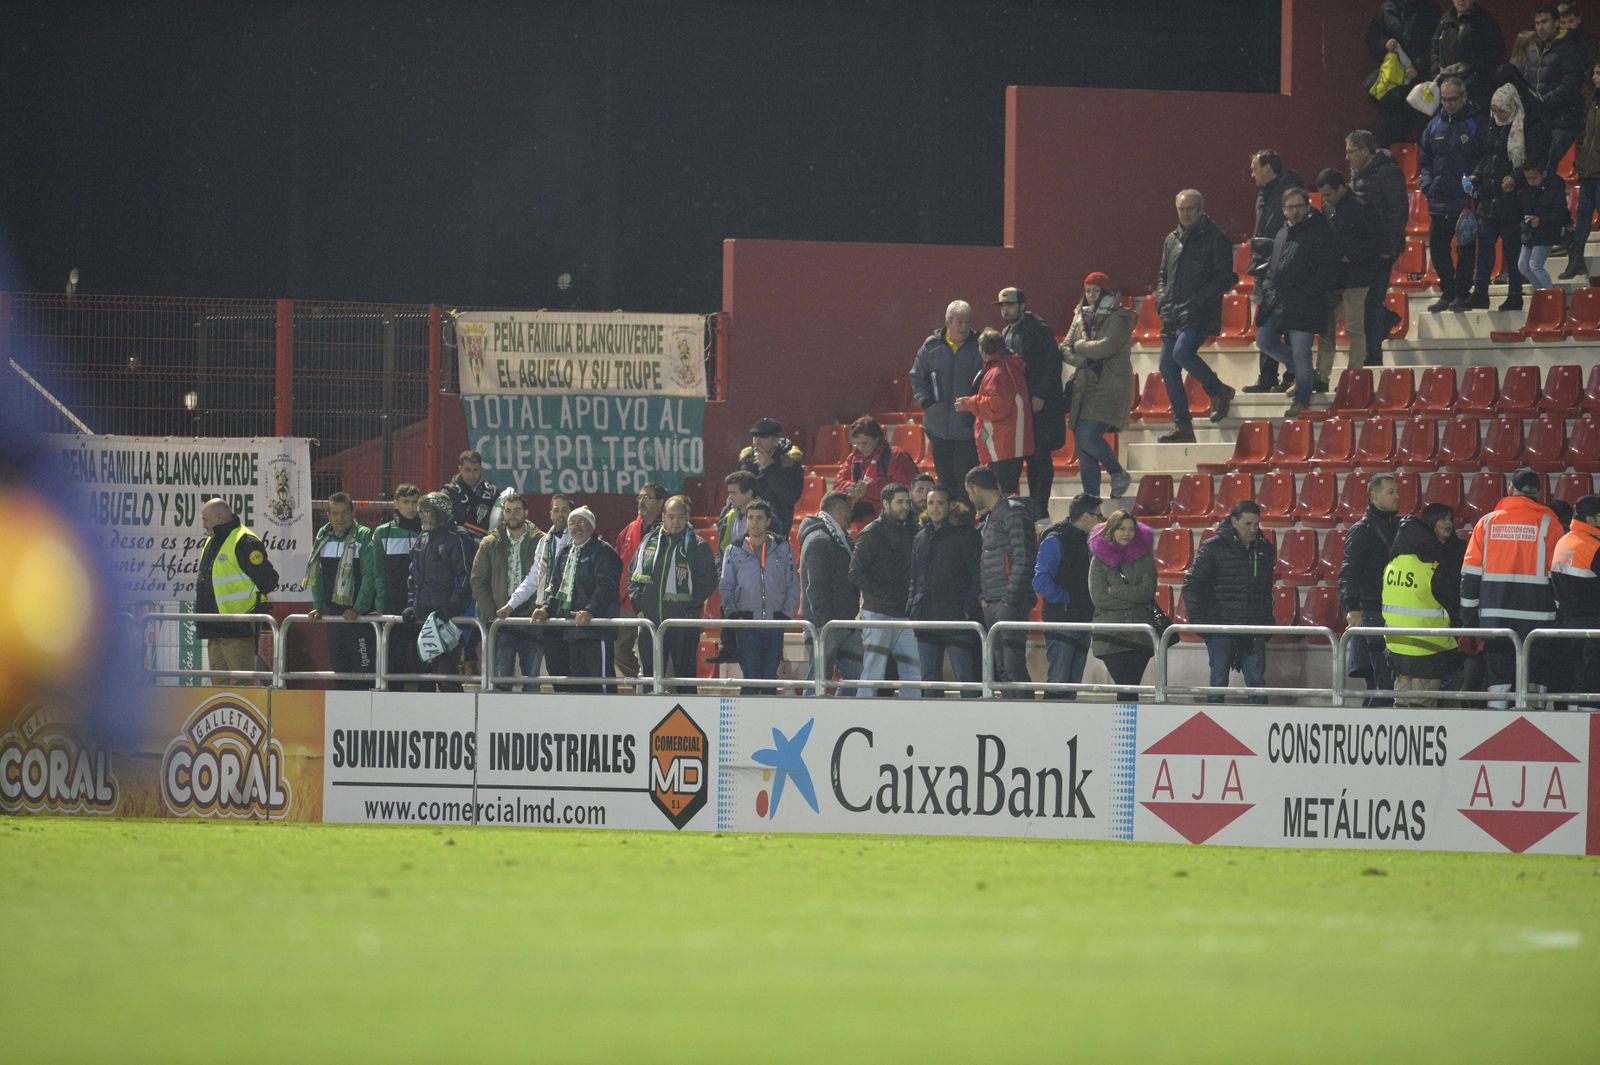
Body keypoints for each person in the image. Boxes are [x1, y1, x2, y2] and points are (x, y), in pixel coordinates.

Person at [1461, 468, 1564, 704]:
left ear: (1510, 489)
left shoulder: (1486, 523)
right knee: (1535, 684)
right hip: (1539, 621)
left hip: (1495, 621)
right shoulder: (1550, 524)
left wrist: (1469, 620)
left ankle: (1496, 731)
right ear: (1538, 493)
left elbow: (1470, 576)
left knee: (1498, 683)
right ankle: (1534, 734)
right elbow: (1558, 577)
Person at [1153, 189, 1237, 444]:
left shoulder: (1216, 237)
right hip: (1172, 312)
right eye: (1182, 209)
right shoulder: (1171, 239)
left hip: (1200, 312)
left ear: (1200, 210)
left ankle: (1217, 389)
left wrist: (1198, 299)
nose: (1186, 214)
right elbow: (1162, 275)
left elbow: (1225, 277)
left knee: (1181, 353)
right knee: (1167, 368)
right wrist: (1161, 299)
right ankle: (1183, 426)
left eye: (1190, 209)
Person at [1255, 186, 1340, 416]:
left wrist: (1309, 290)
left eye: (1299, 206)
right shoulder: (1282, 233)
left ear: (1308, 206)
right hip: (1280, 300)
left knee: (1302, 350)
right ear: (1283, 210)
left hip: (1306, 301)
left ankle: (1302, 398)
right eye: (1290, 207)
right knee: (1264, 339)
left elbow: (1328, 268)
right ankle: (1301, 374)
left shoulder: (1320, 231)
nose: (1295, 211)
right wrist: (1268, 291)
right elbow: (1274, 268)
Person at [1182, 500, 1276, 704]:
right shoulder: (1213, 547)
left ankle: (1259, 729)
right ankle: (1211, 733)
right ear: (1234, 521)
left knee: (1257, 682)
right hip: (1220, 626)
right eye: (1248, 524)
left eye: (1256, 524)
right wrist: (1202, 623)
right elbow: (1191, 584)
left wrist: (1266, 622)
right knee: (1218, 682)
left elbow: (1267, 589)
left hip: (1253, 627)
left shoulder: (1265, 549)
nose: (1253, 529)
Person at [526, 506, 622, 693]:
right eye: (572, 523)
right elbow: (554, 587)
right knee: (578, 690)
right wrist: (546, 608)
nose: (576, 527)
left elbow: (606, 587)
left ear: (592, 527)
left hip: (595, 632)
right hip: (571, 634)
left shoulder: (603, 552)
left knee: (600, 688)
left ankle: (609, 722)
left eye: (581, 522)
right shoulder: (565, 553)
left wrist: (590, 610)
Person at [628, 493, 716, 691]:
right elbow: (633, 574)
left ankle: (689, 717)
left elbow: (708, 581)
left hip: (682, 624)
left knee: (684, 677)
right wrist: (639, 606)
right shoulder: (649, 541)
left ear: (687, 518)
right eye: (671, 516)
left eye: (680, 517)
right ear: (663, 517)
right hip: (651, 623)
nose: (675, 522)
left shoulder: (697, 545)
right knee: (651, 677)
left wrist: (687, 606)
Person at [1468, 83, 1545, 310]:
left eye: (1501, 109)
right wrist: (1475, 175)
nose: (1497, 114)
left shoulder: (1525, 128)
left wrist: (1516, 178)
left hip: (1513, 201)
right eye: (1494, 109)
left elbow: (1531, 162)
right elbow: (1487, 157)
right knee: (1485, 249)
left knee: (1512, 250)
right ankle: (1480, 292)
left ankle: (1515, 295)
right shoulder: (1491, 127)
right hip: (1489, 198)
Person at [1060, 272, 1134, 499]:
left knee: (1088, 436)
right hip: (1085, 386)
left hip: (1110, 386)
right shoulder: (1079, 316)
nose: (1091, 295)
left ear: (1106, 292)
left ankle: (1117, 472)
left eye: (1096, 290)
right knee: (1083, 449)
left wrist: (1080, 346)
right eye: (1088, 290)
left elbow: (1106, 347)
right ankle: (1091, 501)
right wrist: (1082, 361)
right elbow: (1064, 347)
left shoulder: (1119, 317)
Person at [1417, 75, 1486, 311]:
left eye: (1453, 99)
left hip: (1465, 199)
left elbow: (1486, 156)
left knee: (1466, 248)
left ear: (1464, 97)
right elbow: (1425, 162)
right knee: (1437, 248)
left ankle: (1462, 293)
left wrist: (1476, 179)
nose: (1448, 104)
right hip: (1439, 198)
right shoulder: (1433, 126)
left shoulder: (1476, 123)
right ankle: (1447, 291)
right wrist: (1427, 185)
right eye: (1444, 100)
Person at [966, 465, 1037, 691]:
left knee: (1013, 667)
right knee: (1003, 670)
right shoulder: (993, 515)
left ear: (974, 489)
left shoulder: (1013, 512)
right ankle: (1010, 720)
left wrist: (1008, 598)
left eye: (968, 492)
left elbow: (1024, 558)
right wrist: (984, 596)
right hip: (994, 601)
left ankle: (1025, 720)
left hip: (1009, 602)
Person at [194, 497, 279, 684]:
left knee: (242, 685)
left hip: (238, 626)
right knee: (219, 685)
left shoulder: (245, 541)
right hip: (215, 625)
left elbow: (268, 580)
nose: (203, 524)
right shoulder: (212, 541)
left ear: (219, 518)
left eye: (205, 519)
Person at [908, 485, 983, 697]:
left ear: (950, 506)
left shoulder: (966, 535)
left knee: (966, 677)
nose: (934, 507)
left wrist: (967, 609)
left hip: (956, 618)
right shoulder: (920, 537)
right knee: (929, 680)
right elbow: (915, 577)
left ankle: (974, 724)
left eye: (940, 503)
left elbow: (977, 576)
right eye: (931, 502)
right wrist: (913, 606)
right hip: (926, 618)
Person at [1313, 168, 1384, 392]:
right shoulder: (1328, 208)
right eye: (1323, 195)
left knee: (1354, 326)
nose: (1325, 199)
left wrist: (1351, 255)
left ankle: (1354, 376)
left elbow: (1376, 241)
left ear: (1342, 188)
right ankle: (1322, 376)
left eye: (1328, 194)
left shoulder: (1362, 208)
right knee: (1325, 327)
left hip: (1357, 275)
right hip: (1334, 276)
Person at [996, 287, 1065, 514]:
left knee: (1039, 455)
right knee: (1028, 454)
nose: (1005, 310)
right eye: (1003, 306)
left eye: (1010, 305)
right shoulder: (1006, 332)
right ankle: (1031, 506)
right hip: (1021, 406)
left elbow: (1053, 364)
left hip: (1040, 406)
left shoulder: (1040, 330)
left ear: (1022, 305)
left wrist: (1041, 395)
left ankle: (1040, 505)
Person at [849, 482, 921, 697]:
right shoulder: (871, 533)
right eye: (900, 502)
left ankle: (913, 717)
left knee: (914, 672)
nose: (905, 506)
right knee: (874, 672)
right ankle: (863, 720)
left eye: (907, 502)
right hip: (879, 613)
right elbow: (855, 572)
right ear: (885, 504)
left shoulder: (911, 530)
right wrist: (882, 595)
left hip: (904, 614)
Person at [1243, 150, 1306, 394]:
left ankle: (1292, 375)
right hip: (1263, 267)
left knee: (1286, 324)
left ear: (1268, 167)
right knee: (1264, 322)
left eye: (1255, 168)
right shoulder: (1263, 195)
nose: (1252, 174)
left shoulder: (1288, 191)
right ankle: (1267, 377)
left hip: (1283, 268)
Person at [1382, 516, 1463, 706]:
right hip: (1428, 651)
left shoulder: (1390, 567)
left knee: (1401, 706)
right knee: (1422, 709)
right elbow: (1453, 605)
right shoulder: (1432, 569)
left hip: (1397, 649)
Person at [1346, 130, 1411, 366]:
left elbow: (1398, 212)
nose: (1347, 157)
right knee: (1362, 301)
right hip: (1361, 250)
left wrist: (1390, 247)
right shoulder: (1356, 175)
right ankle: (1384, 324)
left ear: (1365, 150)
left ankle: (1372, 354)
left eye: (1351, 151)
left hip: (1381, 249)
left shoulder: (1388, 173)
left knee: (1371, 301)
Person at [719, 500, 798, 688]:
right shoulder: (734, 549)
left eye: (760, 518)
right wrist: (734, 614)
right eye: (751, 518)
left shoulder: (783, 547)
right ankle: (748, 717)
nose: (755, 523)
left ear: (768, 521)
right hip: (747, 623)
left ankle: (769, 717)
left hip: (774, 621)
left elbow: (792, 582)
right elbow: (726, 585)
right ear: (746, 521)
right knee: (751, 677)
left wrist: (785, 614)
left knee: (770, 678)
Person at [1340, 473, 1403, 706]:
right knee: (1381, 682)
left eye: (1397, 492)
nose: (1397, 496)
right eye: (1391, 492)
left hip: (1390, 611)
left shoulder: (1398, 526)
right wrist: (1352, 608)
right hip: (1372, 611)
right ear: (1374, 495)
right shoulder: (1362, 530)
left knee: (1381, 683)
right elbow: (1349, 572)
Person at [909, 299, 983, 497]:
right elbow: (917, 376)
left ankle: (965, 522)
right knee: (945, 480)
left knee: (966, 481)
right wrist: (925, 401)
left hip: (967, 428)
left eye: (968, 322)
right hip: (937, 427)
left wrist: (975, 408)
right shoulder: (931, 346)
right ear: (948, 322)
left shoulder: (979, 347)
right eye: (959, 322)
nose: (964, 327)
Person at [471, 491, 543, 689]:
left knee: (532, 681)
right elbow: (478, 581)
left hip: (531, 619)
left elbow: (548, 580)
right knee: (501, 681)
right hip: (501, 620)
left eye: (517, 510)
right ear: (503, 513)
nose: (512, 514)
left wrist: (541, 608)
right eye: (508, 510)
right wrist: (491, 613)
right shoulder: (489, 543)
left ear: (526, 512)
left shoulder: (542, 541)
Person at [1034, 493, 1102, 699]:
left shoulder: (1087, 540)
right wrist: (1067, 599)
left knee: (1072, 681)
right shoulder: (1056, 538)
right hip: (1062, 619)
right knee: (1060, 678)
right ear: (1087, 516)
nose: (1102, 520)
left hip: (1082, 617)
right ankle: (1052, 725)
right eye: (1099, 515)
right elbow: (1040, 581)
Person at [306, 491, 376, 690]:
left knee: (364, 673)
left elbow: (369, 577)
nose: (340, 518)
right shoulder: (323, 537)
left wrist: (358, 609)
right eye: (335, 513)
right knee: (340, 671)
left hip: (360, 619)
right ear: (328, 515)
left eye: (345, 512)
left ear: (353, 513)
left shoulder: (363, 536)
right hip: (335, 617)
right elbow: (316, 575)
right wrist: (319, 607)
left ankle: (365, 718)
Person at [1088, 509, 1159, 701]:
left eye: (1130, 529)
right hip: (1112, 635)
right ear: (1111, 530)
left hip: (1139, 634)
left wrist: (1117, 591)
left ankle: (1129, 728)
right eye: (1121, 528)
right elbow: (1099, 598)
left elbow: (1147, 592)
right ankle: (1127, 729)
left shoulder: (1144, 558)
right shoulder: (1099, 560)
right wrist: (1132, 599)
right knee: (1126, 688)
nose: (1126, 533)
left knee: (1130, 689)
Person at [406, 491, 474, 690]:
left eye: (428, 512)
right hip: (423, 618)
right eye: (422, 512)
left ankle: (454, 720)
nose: (423, 516)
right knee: (424, 678)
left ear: (440, 513)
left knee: (446, 677)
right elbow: (413, 576)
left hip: (448, 622)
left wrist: (450, 610)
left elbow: (466, 578)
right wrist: (411, 606)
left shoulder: (459, 539)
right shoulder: (422, 538)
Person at [798, 491, 863, 695]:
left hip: (843, 623)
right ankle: (813, 720)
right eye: (848, 511)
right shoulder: (820, 540)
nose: (850, 518)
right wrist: (826, 623)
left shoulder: (836, 539)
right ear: (840, 512)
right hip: (825, 625)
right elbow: (816, 587)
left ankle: (842, 717)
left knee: (856, 678)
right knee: (819, 680)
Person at [954, 328, 1033, 496]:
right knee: (1007, 493)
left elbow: (997, 407)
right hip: (1010, 443)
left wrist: (969, 403)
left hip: (1002, 444)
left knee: (1000, 495)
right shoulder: (1010, 366)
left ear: (982, 350)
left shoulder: (998, 372)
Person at [1366, 1, 1444, 145]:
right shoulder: (1387, 8)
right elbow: (1371, 40)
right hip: (1395, 81)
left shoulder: (1430, 9)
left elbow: (1436, 46)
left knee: (1424, 130)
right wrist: (1385, 44)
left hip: (1422, 82)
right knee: (1393, 131)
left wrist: (1418, 68)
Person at [613, 482, 667, 682]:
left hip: (657, 602)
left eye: (647, 497)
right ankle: (641, 683)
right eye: (640, 497)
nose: (641, 501)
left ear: (661, 502)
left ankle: (659, 686)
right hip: (628, 601)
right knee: (618, 648)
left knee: (656, 650)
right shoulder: (628, 531)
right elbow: (617, 563)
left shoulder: (669, 529)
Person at [1521, 4, 1585, 169]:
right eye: (1537, 23)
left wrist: (1541, 102)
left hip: (1562, 122)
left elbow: (1570, 86)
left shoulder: (1570, 48)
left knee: (1553, 168)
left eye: (1545, 22)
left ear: (1557, 22)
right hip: (1538, 122)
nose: (1540, 27)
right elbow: (1527, 82)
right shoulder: (1533, 51)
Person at [371, 484, 424, 687]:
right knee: (393, 665)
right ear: (396, 503)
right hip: (393, 607)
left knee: (425, 664)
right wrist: (381, 607)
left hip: (422, 607)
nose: (411, 507)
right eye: (406, 502)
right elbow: (378, 574)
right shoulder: (382, 533)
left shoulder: (427, 530)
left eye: (415, 502)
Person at [1551, 494, 1600, 709]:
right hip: (1593, 628)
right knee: (1590, 688)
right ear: (1591, 519)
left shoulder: (1564, 541)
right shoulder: (1594, 548)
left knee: (1571, 684)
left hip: (1566, 624)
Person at [707, 471, 758, 664]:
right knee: (727, 607)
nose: (729, 497)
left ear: (749, 494)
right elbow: (722, 546)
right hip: (732, 575)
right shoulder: (728, 515)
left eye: (734, 493)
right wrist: (722, 572)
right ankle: (728, 647)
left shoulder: (764, 516)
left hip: (753, 580)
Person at [832, 416, 920, 521]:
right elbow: (838, 483)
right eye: (857, 443)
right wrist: (854, 488)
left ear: (877, 439)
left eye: (864, 443)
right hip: (861, 518)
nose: (860, 447)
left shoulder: (895, 456)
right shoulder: (854, 457)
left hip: (890, 520)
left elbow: (903, 488)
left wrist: (867, 490)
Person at [1561, 59, 1600, 278]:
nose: (1594, 77)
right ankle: (1575, 259)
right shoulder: (1593, 104)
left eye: (1598, 73)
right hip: (1589, 170)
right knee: (1583, 214)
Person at [1431, 0, 1507, 110]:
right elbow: (1434, 49)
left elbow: (1496, 53)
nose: (1461, 1)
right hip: (1446, 88)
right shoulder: (1445, 21)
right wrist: (1436, 74)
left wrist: (1474, 75)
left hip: (1475, 91)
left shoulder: (1485, 22)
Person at [737, 417, 805, 535]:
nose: (757, 441)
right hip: (746, 522)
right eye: (754, 437)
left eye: (763, 437)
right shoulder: (746, 460)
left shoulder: (789, 462)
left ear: (775, 440)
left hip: (777, 525)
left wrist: (770, 469)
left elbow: (790, 496)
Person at [1519, 157, 1572, 288]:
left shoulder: (1555, 188)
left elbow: (1560, 213)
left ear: (1543, 174)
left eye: (1534, 178)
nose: (1531, 181)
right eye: (1528, 179)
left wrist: (1541, 220)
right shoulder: (1527, 190)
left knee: (1535, 265)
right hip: (1530, 232)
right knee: (1522, 266)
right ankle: (1541, 293)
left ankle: (1550, 294)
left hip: (1546, 233)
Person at [443, 449, 499, 542]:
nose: (471, 475)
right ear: (460, 469)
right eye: (467, 470)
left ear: (480, 469)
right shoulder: (449, 493)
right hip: (456, 548)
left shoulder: (492, 493)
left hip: (484, 548)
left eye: (475, 470)